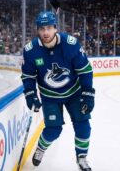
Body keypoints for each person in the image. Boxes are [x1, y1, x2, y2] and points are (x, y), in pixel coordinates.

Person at [21, 11, 95, 171]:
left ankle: (81, 158)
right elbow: (28, 76)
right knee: (53, 130)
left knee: (83, 126)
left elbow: (85, 70)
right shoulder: (30, 50)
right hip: (50, 97)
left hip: (74, 93)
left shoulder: (71, 44)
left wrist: (88, 93)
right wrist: (30, 94)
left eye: (48, 28)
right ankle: (41, 148)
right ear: (37, 30)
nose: (45, 32)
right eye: (42, 29)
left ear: (55, 28)